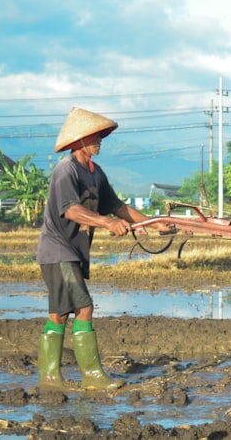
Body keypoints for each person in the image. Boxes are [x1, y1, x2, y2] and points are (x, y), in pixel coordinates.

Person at [36, 107, 151, 390]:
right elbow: (71, 210)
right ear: (80, 141)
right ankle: (93, 377)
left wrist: (152, 223)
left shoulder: (95, 173)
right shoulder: (66, 170)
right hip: (58, 250)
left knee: (59, 315)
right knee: (84, 308)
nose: (100, 140)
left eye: (100, 136)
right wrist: (107, 224)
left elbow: (117, 206)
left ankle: (50, 379)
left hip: (72, 252)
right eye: (95, 136)